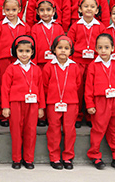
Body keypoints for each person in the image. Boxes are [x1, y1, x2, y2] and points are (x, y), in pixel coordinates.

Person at [85, 33, 115, 171]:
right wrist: (90, 104)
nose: (103, 50)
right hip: (100, 102)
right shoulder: (93, 65)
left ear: (113, 48)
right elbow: (88, 87)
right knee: (98, 129)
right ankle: (95, 155)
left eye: (106, 47)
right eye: (100, 47)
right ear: (95, 49)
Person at [1, 35, 45, 169]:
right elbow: (5, 88)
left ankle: (28, 159)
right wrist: (5, 106)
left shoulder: (36, 69)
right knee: (16, 131)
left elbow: (41, 88)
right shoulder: (11, 68)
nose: (24, 54)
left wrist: (41, 107)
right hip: (15, 103)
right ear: (15, 52)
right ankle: (16, 159)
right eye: (20, 51)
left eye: (27, 51)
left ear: (32, 52)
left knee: (30, 131)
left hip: (32, 104)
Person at [42, 35, 81, 170]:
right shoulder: (48, 66)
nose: (63, 51)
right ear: (54, 50)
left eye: (66, 48)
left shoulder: (74, 66)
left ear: (71, 51)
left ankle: (68, 157)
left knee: (70, 130)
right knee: (54, 129)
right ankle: (54, 157)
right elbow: (45, 85)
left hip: (71, 103)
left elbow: (77, 83)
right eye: (60, 48)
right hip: (53, 103)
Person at [0, 0, 30, 126]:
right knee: (4, 85)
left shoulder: (25, 27)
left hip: (20, 60)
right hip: (4, 60)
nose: (11, 12)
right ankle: (3, 114)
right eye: (7, 10)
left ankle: (18, 114)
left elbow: (30, 45)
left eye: (14, 10)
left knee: (19, 85)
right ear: (3, 10)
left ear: (19, 9)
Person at [67, 0, 106, 126]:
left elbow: (104, 44)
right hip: (78, 62)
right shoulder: (75, 26)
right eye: (86, 6)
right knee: (78, 90)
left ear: (97, 10)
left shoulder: (101, 27)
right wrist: (71, 61)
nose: (89, 9)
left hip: (94, 63)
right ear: (80, 9)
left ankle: (90, 116)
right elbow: (70, 45)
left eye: (92, 7)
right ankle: (77, 116)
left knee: (93, 89)